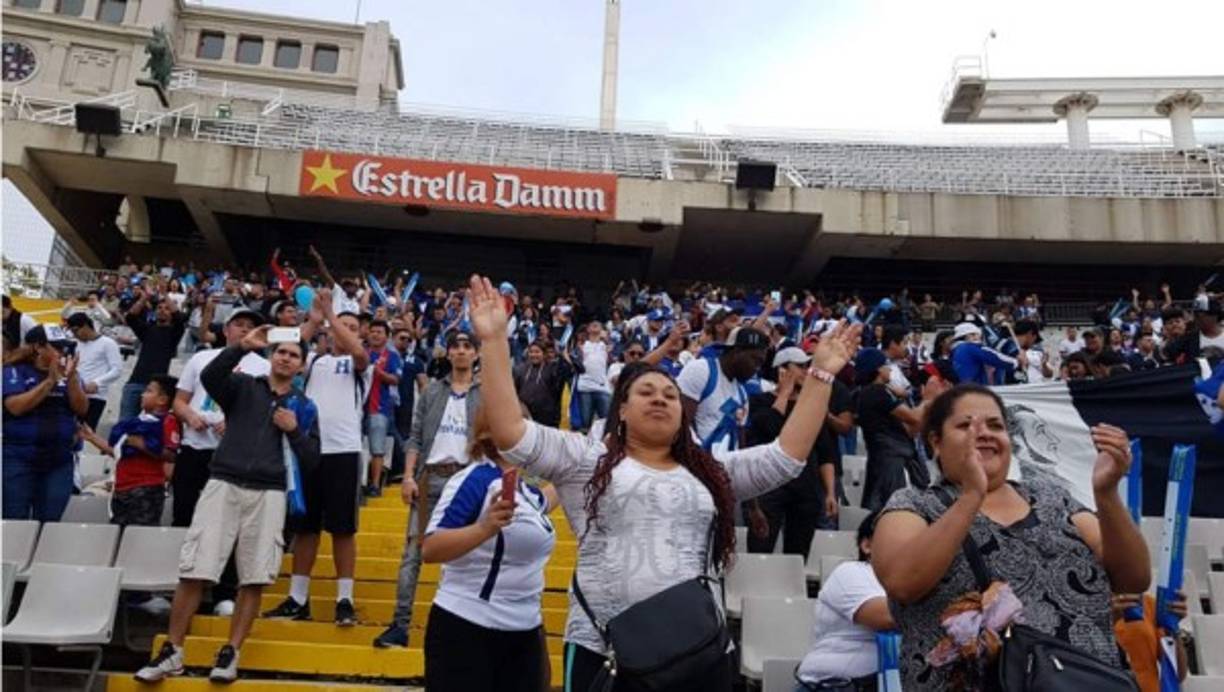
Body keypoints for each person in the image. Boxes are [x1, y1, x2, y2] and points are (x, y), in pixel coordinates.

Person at [465, 274, 862, 692]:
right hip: (606, 652)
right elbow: (509, 431)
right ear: (621, 411)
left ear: (682, 415)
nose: (660, 398)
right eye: (646, 392)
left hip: (698, 651)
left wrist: (819, 376)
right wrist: (493, 342)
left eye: (670, 395)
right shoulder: (585, 459)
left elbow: (786, 458)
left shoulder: (710, 472)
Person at [871, 384, 1150, 690]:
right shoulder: (913, 505)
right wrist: (971, 495)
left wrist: (1106, 493)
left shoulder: (1055, 499)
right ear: (935, 442)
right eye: (966, 425)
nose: (985, 433)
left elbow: (1133, 579)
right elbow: (902, 582)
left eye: (996, 426)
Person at [135, 328, 319, 684]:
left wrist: (295, 430)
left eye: (294, 354)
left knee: (253, 577)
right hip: (224, 481)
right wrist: (240, 347)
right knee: (195, 568)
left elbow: (311, 461)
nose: (285, 357)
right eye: (280, 351)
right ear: (271, 355)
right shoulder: (244, 386)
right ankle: (173, 650)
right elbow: (210, 377)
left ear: (302, 364)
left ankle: (231, 651)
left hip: (270, 492)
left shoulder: (305, 406)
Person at [421, 404, 559, 692]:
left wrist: (593, 460)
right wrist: (483, 528)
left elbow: (546, 499)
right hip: (468, 628)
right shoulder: (474, 480)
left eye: (525, 426)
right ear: (490, 432)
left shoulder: (523, 490)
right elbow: (431, 548)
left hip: (526, 630)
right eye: (515, 424)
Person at [266, 293, 370, 626]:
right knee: (306, 528)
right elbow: (291, 346)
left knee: (342, 529)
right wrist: (314, 319)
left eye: (354, 327)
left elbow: (357, 352)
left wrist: (332, 318)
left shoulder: (360, 365)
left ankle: (344, 599)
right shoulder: (314, 362)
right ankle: (298, 598)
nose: (346, 332)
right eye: (342, 326)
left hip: (344, 451)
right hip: (308, 449)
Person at [374, 331, 483, 648]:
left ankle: (460, 630)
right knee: (412, 554)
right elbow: (416, 437)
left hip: (467, 480)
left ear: (476, 354)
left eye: (467, 347)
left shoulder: (487, 395)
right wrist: (408, 476)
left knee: (465, 556)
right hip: (430, 477)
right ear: (447, 353)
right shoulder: (433, 391)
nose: (461, 352)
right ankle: (400, 625)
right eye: (455, 347)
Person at [743, 346, 850, 554]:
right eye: (799, 366)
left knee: (799, 551)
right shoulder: (759, 401)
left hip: (805, 487)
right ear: (781, 370)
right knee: (760, 547)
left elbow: (825, 451)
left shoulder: (809, 406)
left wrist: (829, 492)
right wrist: (784, 393)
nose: (805, 371)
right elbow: (769, 428)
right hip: (768, 487)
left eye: (807, 366)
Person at [795, 511, 895, 690]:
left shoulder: (915, 583)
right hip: (834, 685)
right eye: (896, 537)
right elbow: (885, 617)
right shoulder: (850, 572)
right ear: (866, 546)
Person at [2, 325, 88, 520]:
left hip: (59, 459)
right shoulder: (14, 372)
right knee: (14, 519)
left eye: (65, 348)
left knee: (50, 520)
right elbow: (15, 406)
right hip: (19, 457)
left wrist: (72, 377)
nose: (63, 353)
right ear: (39, 348)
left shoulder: (71, 376)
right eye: (57, 348)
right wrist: (50, 381)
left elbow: (82, 409)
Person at [79, 374, 179, 527]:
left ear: (162, 400)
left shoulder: (168, 421)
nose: (143, 394)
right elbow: (117, 452)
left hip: (147, 488)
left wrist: (141, 444)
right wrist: (92, 438)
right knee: (118, 531)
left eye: (149, 391)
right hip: (122, 486)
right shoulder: (133, 423)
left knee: (139, 534)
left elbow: (171, 455)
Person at [853, 348, 942, 511]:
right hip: (890, 461)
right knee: (895, 508)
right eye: (886, 366)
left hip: (891, 457)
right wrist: (927, 400)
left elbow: (910, 429)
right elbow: (913, 417)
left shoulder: (870, 393)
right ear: (878, 369)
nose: (890, 370)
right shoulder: (876, 392)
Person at [677, 326, 769, 453]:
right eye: (755, 360)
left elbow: (740, 444)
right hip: (695, 460)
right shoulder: (701, 370)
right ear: (736, 352)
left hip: (723, 466)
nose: (757, 368)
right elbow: (680, 424)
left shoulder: (742, 394)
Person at [121, 289, 187, 419]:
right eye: (159, 308)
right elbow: (130, 317)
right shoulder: (147, 330)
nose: (162, 310)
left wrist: (165, 294)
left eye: (166, 308)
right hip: (135, 382)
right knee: (124, 425)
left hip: (157, 387)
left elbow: (179, 318)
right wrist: (144, 297)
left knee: (151, 427)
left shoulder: (175, 332)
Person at [1111, 590, 1188, 692]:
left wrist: (1173, 626)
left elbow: (1178, 674)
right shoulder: (1087, 607)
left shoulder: (1149, 604)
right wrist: (1109, 621)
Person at [364, 319, 402, 496]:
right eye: (372, 331)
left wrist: (377, 372)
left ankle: (375, 484)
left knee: (377, 448)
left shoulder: (392, 356)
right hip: (357, 407)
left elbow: (395, 379)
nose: (375, 334)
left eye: (379, 332)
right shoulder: (361, 353)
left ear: (387, 336)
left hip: (379, 407)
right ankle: (360, 481)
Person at [65, 311, 123, 429]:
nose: (75, 335)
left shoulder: (108, 343)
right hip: (75, 393)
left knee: (85, 433)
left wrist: (97, 382)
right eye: (72, 332)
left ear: (86, 325)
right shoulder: (76, 345)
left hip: (95, 396)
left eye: (76, 330)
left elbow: (117, 369)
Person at [512, 339, 574, 427]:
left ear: (544, 354)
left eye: (537, 352)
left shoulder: (553, 369)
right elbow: (514, 391)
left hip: (548, 417)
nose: (534, 355)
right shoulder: (520, 369)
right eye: (531, 352)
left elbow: (567, 372)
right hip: (526, 416)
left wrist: (562, 355)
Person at [948, 322, 1016, 386]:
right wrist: (1016, 362)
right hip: (974, 389)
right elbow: (994, 357)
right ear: (970, 335)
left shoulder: (955, 350)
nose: (979, 338)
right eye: (978, 335)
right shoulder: (971, 347)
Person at [574, 322, 612, 432]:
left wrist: (607, 340)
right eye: (592, 325)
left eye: (598, 325)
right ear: (588, 329)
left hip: (602, 387)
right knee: (585, 424)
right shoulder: (581, 346)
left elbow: (611, 361)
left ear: (602, 329)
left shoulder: (607, 346)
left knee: (606, 423)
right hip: (585, 386)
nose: (595, 326)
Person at [1012, 320, 1052, 384]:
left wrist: (1044, 365)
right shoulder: (1010, 353)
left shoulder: (1037, 353)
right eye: (1034, 337)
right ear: (1030, 334)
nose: (1034, 342)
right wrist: (1020, 366)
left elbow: (1049, 375)